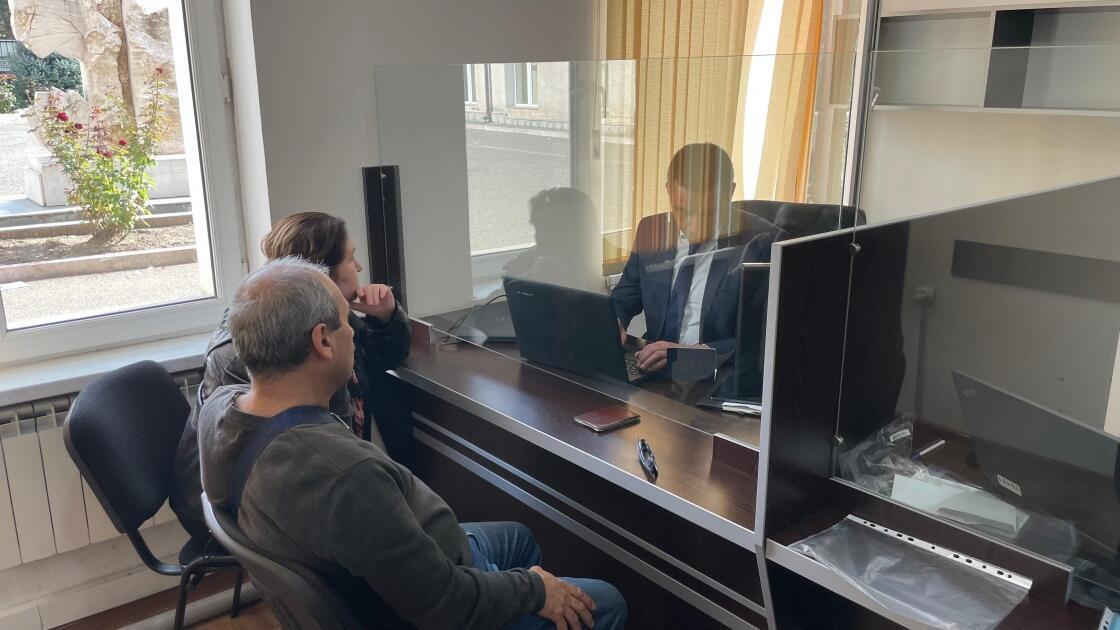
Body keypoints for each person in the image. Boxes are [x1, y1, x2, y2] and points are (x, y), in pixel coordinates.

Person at [198, 258, 627, 629]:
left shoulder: (220, 409)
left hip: (387, 565)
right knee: (605, 601)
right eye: (347, 322)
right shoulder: (344, 475)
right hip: (422, 603)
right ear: (322, 341)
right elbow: (446, 605)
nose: (354, 334)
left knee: (519, 538)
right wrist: (534, 589)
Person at [170, 212, 410, 541]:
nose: (359, 267)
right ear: (323, 272)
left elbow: (380, 356)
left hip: (298, 498)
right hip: (253, 520)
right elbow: (296, 459)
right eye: (351, 258)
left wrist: (386, 318)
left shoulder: (320, 314)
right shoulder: (249, 350)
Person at [611, 143, 783, 374]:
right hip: (652, 365)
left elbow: (765, 338)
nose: (694, 225)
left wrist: (693, 355)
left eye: (709, 213)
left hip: (716, 375)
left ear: (730, 191)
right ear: (668, 190)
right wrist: (615, 321)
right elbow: (624, 297)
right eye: (683, 211)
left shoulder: (763, 243)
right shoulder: (651, 230)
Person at [503, 187, 605, 293]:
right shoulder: (522, 266)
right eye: (538, 227)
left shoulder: (599, 274)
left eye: (554, 228)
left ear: (580, 230)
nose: (543, 237)